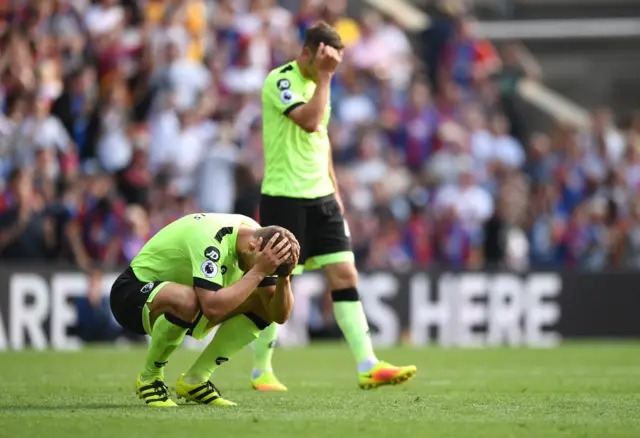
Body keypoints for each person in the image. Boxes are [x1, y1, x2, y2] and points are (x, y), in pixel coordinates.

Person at [254, 21, 416, 391]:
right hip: (284, 196)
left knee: (345, 275)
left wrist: (336, 189)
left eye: (335, 63)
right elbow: (310, 122)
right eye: (325, 60)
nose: (330, 68)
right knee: (277, 285)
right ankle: (261, 369)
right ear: (307, 52)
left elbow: (321, 141)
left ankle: (367, 364)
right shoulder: (282, 80)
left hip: (322, 196)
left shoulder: (320, 82)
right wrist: (326, 78)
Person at [109, 212, 300, 407]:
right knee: (187, 300)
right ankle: (150, 378)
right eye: (269, 269)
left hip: (183, 302)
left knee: (263, 302)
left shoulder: (256, 239)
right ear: (253, 247)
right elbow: (212, 308)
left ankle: (196, 380)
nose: (268, 273)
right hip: (131, 296)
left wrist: (285, 277)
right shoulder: (210, 240)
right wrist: (259, 271)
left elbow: (279, 315)